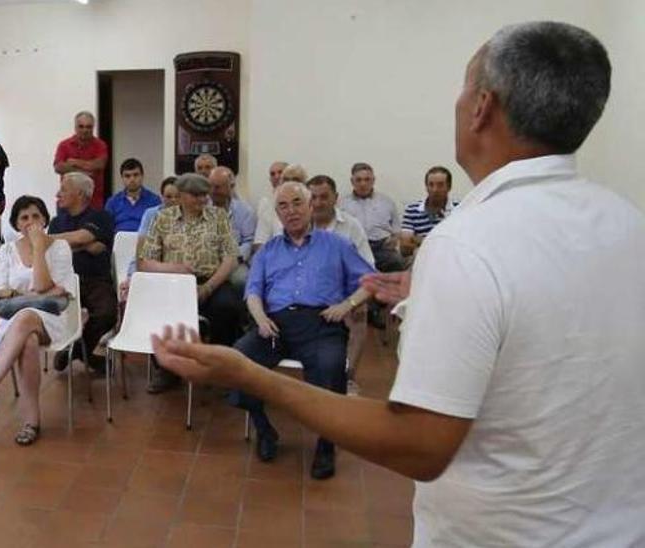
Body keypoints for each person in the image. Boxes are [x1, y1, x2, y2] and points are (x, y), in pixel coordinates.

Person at [152, 22, 645, 546]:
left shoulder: (466, 243)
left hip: (503, 533)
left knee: (319, 368)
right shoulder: (626, 222)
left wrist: (255, 377)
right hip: (616, 524)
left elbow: (419, 445)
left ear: (482, 107)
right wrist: (427, 290)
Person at [239, 182, 374, 478]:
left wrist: (346, 305)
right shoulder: (269, 251)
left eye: (297, 203)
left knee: (331, 368)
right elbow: (253, 292)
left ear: (311, 205)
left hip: (322, 323)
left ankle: (326, 446)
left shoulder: (335, 245)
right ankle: (264, 429)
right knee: (235, 365)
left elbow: (370, 281)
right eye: (283, 206)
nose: (292, 211)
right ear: (277, 213)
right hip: (274, 324)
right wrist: (260, 318)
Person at [0, 196, 76, 446]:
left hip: (52, 318)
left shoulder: (60, 248)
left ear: (45, 219)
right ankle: (31, 422)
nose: (30, 222)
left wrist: (37, 249)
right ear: (16, 223)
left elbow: (50, 288)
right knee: (29, 342)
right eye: (24, 218)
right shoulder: (7, 250)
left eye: (36, 216)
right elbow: (0, 292)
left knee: (26, 317)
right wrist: (37, 293)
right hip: (13, 320)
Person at [137, 173, 243, 393]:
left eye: (205, 194)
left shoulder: (219, 217)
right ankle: (167, 369)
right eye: (196, 195)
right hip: (173, 283)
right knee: (158, 310)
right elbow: (145, 262)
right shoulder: (163, 218)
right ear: (182, 196)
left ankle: (220, 369)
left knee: (228, 308)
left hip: (211, 281)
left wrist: (207, 288)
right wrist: (173, 269)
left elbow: (230, 258)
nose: (202, 199)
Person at [306, 175, 375, 394]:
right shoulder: (298, 225)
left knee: (360, 311)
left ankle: (347, 377)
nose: (318, 203)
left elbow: (368, 268)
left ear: (335, 198)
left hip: (342, 294)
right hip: (305, 295)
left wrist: (352, 301)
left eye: (324, 197)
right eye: (313, 197)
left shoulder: (351, 226)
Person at [48, 172, 115, 374]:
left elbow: (80, 238)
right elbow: (58, 245)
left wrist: (72, 242)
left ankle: (78, 349)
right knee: (51, 312)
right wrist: (82, 244)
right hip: (63, 283)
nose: (58, 194)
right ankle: (87, 355)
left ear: (79, 193)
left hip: (95, 280)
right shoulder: (56, 221)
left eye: (64, 189)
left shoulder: (101, 217)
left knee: (107, 313)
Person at [339, 162, 403, 272]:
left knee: (396, 261)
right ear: (352, 181)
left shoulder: (386, 202)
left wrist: (394, 240)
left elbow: (397, 230)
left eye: (367, 179)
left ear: (373, 180)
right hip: (355, 248)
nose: (363, 184)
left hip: (382, 248)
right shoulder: (342, 204)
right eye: (358, 180)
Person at [52, 111, 110, 208]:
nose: (85, 130)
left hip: (94, 203)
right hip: (67, 203)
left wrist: (74, 162)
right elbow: (58, 167)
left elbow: (99, 164)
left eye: (88, 127)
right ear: (75, 127)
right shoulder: (64, 145)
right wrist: (84, 171)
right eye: (81, 126)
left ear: (93, 127)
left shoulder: (101, 145)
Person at [399, 166, 459, 256]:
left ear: (449, 187)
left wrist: (419, 240)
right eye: (431, 185)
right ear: (426, 187)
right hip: (421, 260)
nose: (435, 190)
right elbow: (404, 249)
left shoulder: (459, 209)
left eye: (440, 185)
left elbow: (459, 245)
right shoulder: (412, 209)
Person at [252, 163, 307, 253]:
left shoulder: (313, 206)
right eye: (286, 180)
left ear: (304, 184)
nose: (290, 184)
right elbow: (260, 243)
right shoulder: (269, 207)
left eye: (296, 180)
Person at [208, 166, 255, 262]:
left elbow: (248, 241)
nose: (213, 191)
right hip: (206, 259)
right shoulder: (201, 207)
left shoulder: (245, 211)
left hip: (235, 260)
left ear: (231, 186)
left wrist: (233, 259)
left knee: (241, 276)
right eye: (210, 186)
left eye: (217, 187)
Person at [105, 158, 161, 232]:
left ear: (142, 176)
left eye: (136, 175)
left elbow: (158, 228)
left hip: (145, 240)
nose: (132, 179)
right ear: (122, 178)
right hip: (120, 240)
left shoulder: (154, 200)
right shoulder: (112, 202)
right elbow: (106, 229)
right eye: (127, 176)